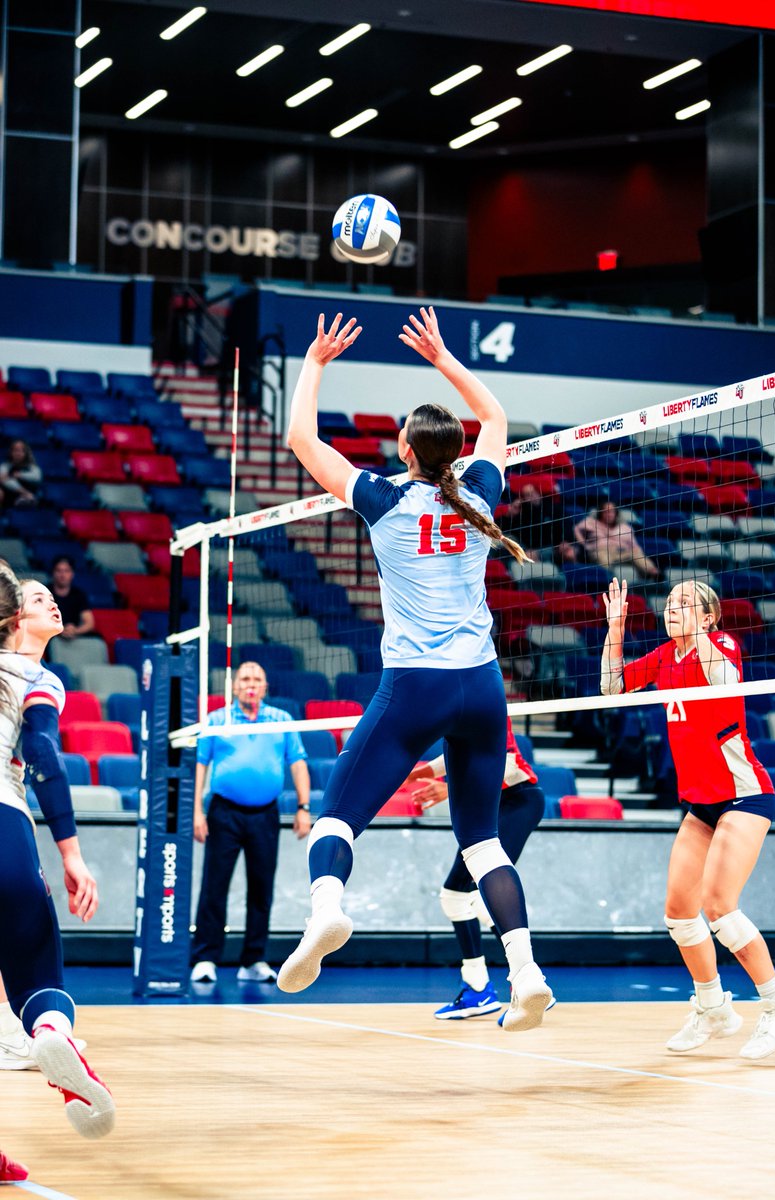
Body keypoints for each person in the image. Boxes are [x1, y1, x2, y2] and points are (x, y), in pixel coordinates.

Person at [278, 307, 552, 1032]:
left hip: (416, 685)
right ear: (455, 451)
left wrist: (316, 361)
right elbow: (494, 413)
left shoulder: (383, 499)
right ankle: (525, 972)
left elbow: (301, 437)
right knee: (482, 839)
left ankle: (328, 911)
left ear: (404, 449)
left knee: (336, 816)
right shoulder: (482, 492)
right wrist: (442, 358)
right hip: (483, 686)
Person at [601, 576, 775, 1060]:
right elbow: (611, 689)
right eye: (670, 602)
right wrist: (615, 628)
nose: (673, 608)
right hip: (701, 803)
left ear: (709, 617)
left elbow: (725, 683)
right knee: (678, 914)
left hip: (744, 794)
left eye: (686, 604)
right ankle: (713, 1008)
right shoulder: (665, 658)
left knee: (720, 907)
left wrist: (702, 633)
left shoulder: (722, 645)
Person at [0, 571, 114, 1134]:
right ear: (13, 615)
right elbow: (42, 755)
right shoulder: (38, 679)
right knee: (39, 975)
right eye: (38, 598)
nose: (54, 603)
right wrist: (71, 855)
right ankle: (45, 1030)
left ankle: (16, 1037)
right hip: (5, 819)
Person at [406, 716, 553, 1023]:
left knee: (465, 894)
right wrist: (414, 774)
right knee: (458, 896)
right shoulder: (454, 706)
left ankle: (495, 987)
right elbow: (455, 757)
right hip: (493, 805)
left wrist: (447, 790)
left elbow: (507, 766)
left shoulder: (487, 701)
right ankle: (517, 984)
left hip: (517, 800)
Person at [190, 661, 312, 984]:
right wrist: (197, 812)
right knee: (214, 886)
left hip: (265, 813)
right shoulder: (217, 720)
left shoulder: (281, 720)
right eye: (245, 678)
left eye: (257, 679)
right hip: (223, 812)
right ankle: (205, 958)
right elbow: (200, 766)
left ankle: (253, 960)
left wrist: (303, 807)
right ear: (234, 686)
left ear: (265, 686)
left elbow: (297, 763)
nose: (250, 684)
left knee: (262, 888)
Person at [575, 499, 658, 582]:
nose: (609, 514)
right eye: (606, 512)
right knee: (604, 558)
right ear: (600, 513)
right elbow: (577, 529)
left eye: (611, 511)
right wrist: (584, 544)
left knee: (637, 554)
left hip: (622, 552)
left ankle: (655, 575)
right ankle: (609, 581)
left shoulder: (625, 527)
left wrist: (636, 551)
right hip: (601, 552)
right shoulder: (591, 523)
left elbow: (635, 546)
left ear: (616, 513)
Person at [48, 556, 95, 639]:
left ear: (72, 574)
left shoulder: (79, 594)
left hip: (73, 636)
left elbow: (89, 623)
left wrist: (75, 630)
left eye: (66, 571)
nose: (62, 575)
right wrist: (59, 630)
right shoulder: (44, 593)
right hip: (49, 637)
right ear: (53, 573)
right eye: (58, 570)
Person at [0, 439, 41, 508]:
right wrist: (24, 492)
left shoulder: (32, 467)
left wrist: (20, 475)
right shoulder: (5, 466)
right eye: (15, 450)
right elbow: (3, 479)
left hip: (29, 495)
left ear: (25, 453)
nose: (18, 453)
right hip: (10, 495)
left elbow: (37, 477)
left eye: (21, 451)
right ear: (11, 452)